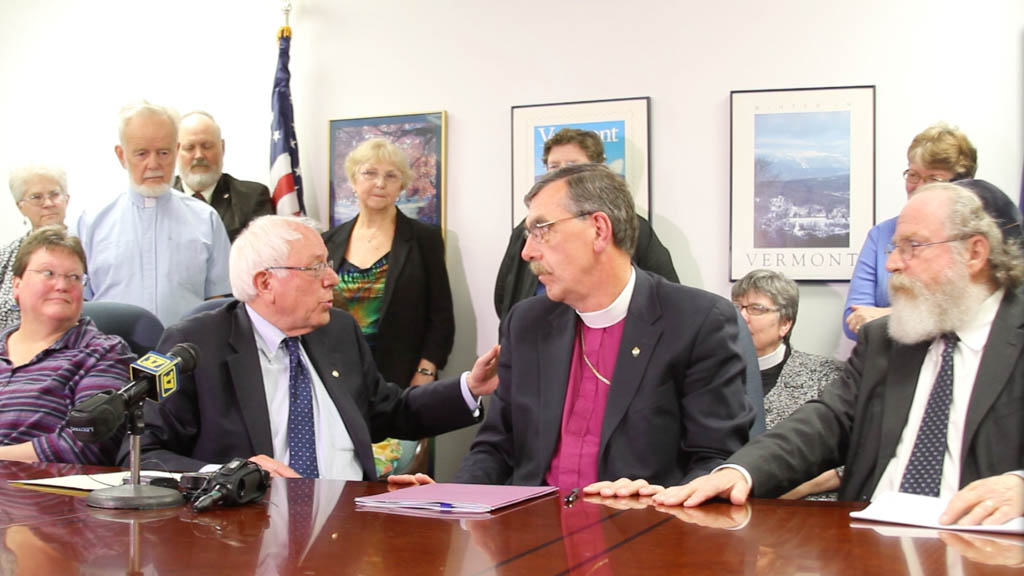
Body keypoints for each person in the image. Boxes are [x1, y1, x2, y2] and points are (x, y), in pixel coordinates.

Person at [653, 183, 1024, 528]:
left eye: (913, 246)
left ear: (975, 252)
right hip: (871, 538)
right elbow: (826, 422)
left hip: (981, 544)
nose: (893, 264)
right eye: (894, 248)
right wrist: (739, 472)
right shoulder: (888, 339)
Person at [394, 164, 753, 489]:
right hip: (530, 530)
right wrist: (454, 499)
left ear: (598, 230)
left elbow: (716, 459)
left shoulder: (696, 321)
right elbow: (496, 448)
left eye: (541, 231)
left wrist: (658, 503)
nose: (527, 252)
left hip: (643, 530)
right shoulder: (527, 322)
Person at [128, 215, 498, 479]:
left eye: (328, 264)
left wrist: (469, 387)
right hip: (249, 533)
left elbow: (388, 411)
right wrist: (226, 474)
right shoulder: (195, 345)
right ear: (265, 282)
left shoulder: (338, 330)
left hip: (350, 525)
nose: (333, 279)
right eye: (316, 267)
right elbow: (142, 455)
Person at [494, 127, 678, 320]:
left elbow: (665, 297)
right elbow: (505, 293)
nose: (562, 172)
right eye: (554, 166)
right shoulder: (524, 231)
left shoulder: (636, 228)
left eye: (572, 165)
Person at [77, 101, 232, 326]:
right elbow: (78, 301)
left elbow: (218, 301)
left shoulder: (206, 219)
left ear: (176, 150)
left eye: (163, 152)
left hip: (188, 346)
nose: (154, 164)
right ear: (121, 155)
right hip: (108, 347)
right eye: (141, 153)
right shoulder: (90, 222)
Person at [322, 138, 454, 389]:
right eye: (370, 173)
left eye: (391, 176)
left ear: (401, 185)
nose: (380, 183)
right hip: (337, 375)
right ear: (353, 180)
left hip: (402, 378)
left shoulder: (424, 239)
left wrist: (426, 371)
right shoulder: (327, 241)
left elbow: (441, 316)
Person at [0, 226, 132, 464]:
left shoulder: (104, 353)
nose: (62, 285)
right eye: (48, 273)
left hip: (38, 485)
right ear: (16, 284)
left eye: (74, 277)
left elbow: (85, 443)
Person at [844, 122, 977, 339]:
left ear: (963, 184)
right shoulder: (881, 234)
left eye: (933, 179)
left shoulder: (976, 238)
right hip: (890, 357)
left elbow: (976, 313)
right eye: (913, 175)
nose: (919, 186)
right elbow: (853, 319)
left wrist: (888, 314)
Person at [731, 269, 843, 499]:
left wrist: (795, 490)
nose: (742, 317)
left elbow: (854, 460)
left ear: (785, 323)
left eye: (756, 309)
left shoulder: (826, 375)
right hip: (726, 502)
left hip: (805, 506)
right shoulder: (711, 372)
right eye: (736, 307)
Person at [173, 111, 274, 242]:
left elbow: (262, 251)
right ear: (175, 151)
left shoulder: (252, 198)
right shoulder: (160, 198)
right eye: (189, 147)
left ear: (222, 147)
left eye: (207, 146)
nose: (199, 155)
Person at [1, 164, 71, 329]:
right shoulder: (7, 255)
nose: (48, 203)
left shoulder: (86, 248)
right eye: (36, 197)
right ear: (21, 207)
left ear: (66, 199)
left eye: (54, 194)